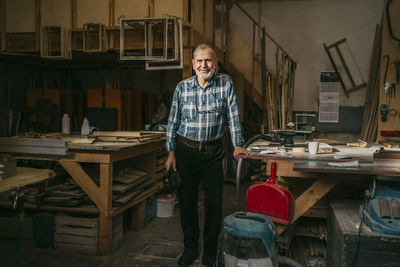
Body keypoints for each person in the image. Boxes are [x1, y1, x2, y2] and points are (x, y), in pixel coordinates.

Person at [164, 43, 252, 267]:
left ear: (216, 63)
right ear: (193, 64)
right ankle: (191, 248)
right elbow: (172, 122)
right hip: (185, 151)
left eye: (209, 60)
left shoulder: (225, 83)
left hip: (213, 153)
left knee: (214, 204)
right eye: (200, 61)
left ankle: (210, 252)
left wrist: (237, 145)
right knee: (187, 203)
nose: (204, 65)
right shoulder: (182, 88)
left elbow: (233, 116)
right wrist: (170, 151)